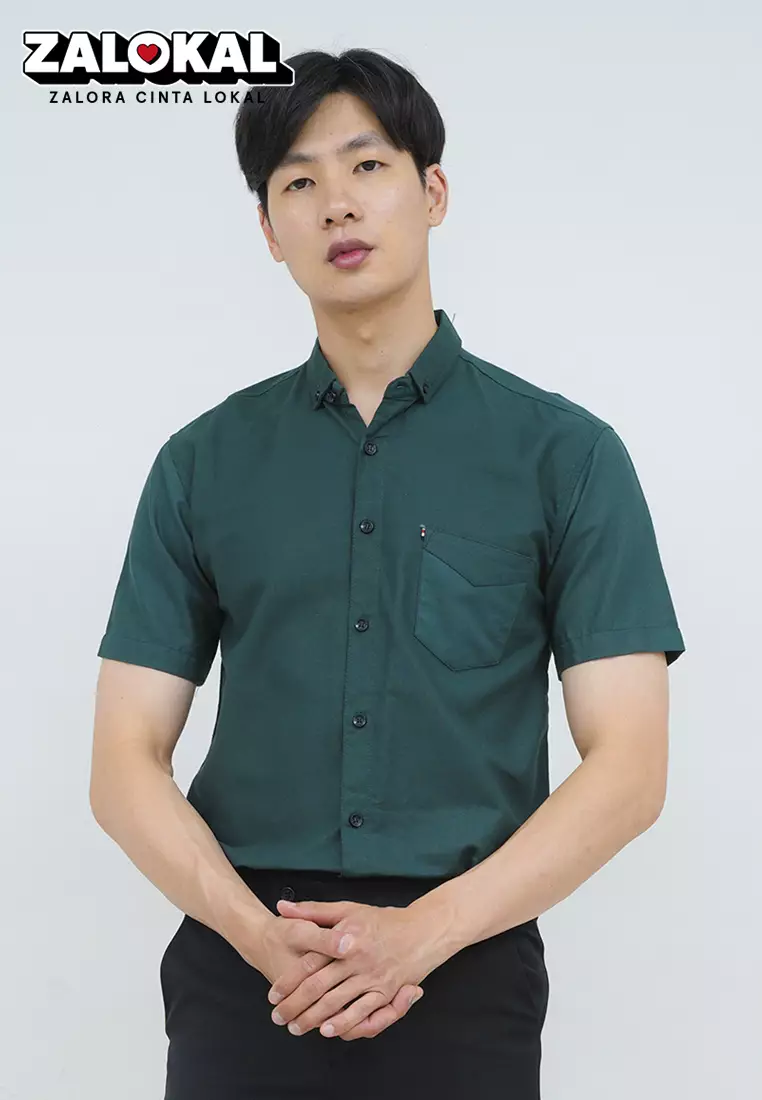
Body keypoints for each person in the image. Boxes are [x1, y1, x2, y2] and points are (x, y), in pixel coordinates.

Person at [90, 47, 686, 1100]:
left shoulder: (567, 457)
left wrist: (423, 933)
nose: (337, 204)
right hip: (247, 966)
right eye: (299, 182)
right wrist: (257, 936)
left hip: (465, 957)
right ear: (269, 230)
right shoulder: (201, 463)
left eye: (367, 166)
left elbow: (631, 765)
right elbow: (122, 761)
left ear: (433, 191)